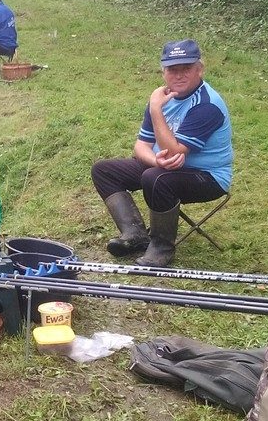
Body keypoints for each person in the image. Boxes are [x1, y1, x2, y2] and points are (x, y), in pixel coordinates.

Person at [90, 39, 232, 268]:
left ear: (199, 69)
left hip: (207, 177)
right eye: (172, 70)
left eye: (186, 68)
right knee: (104, 170)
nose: (179, 75)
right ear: (163, 72)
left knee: (154, 178)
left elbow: (173, 151)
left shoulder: (207, 105)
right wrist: (155, 160)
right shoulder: (161, 97)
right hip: (164, 169)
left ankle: (162, 249)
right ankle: (135, 235)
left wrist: (156, 110)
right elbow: (140, 146)